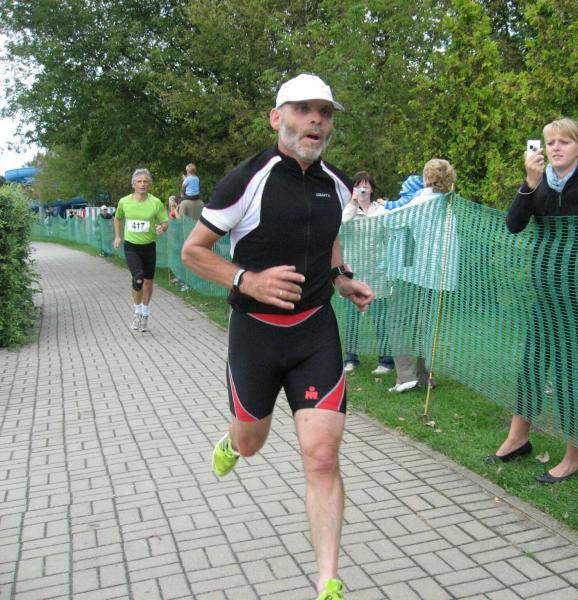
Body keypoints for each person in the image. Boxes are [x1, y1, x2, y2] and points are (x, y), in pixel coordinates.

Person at [181, 73, 373, 600]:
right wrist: (248, 280)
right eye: (303, 109)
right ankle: (233, 441)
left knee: (322, 456)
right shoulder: (246, 180)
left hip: (314, 332)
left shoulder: (337, 183)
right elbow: (194, 252)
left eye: (324, 112)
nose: (316, 120)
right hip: (256, 335)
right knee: (251, 443)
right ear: (277, 118)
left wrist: (340, 278)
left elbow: (327, 236)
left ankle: (328, 580)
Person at [492, 118, 578, 484]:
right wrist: (529, 184)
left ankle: (575, 455)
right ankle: (518, 438)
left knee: (570, 373)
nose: (555, 148)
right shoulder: (538, 184)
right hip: (546, 295)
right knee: (532, 365)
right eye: (550, 142)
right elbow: (514, 225)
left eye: (564, 142)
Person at [384, 159, 458, 393]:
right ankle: (424, 376)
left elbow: (390, 220)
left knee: (398, 321)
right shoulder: (448, 204)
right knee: (424, 325)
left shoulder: (420, 201)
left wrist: (386, 206)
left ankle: (406, 376)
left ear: (426, 177)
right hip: (437, 276)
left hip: (413, 273)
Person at [340, 170, 394, 375]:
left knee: (380, 319)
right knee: (351, 320)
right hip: (353, 273)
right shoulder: (348, 210)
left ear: (372, 189)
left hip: (377, 273)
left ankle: (385, 361)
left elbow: (389, 239)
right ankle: (351, 359)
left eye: (366, 185)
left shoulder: (381, 211)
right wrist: (353, 203)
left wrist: (388, 266)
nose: (362, 189)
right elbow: (341, 224)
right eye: (358, 186)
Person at [114, 168, 169, 333]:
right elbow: (118, 218)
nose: (142, 184)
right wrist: (117, 236)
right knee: (138, 279)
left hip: (149, 247)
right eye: (139, 181)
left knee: (148, 282)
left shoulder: (155, 202)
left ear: (149, 184)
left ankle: (145, 313)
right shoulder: (124, 201)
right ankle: (137, 311)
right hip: (131, 246)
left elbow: (165, 222)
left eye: (145, 181)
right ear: (134, 184)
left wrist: (162, 228)